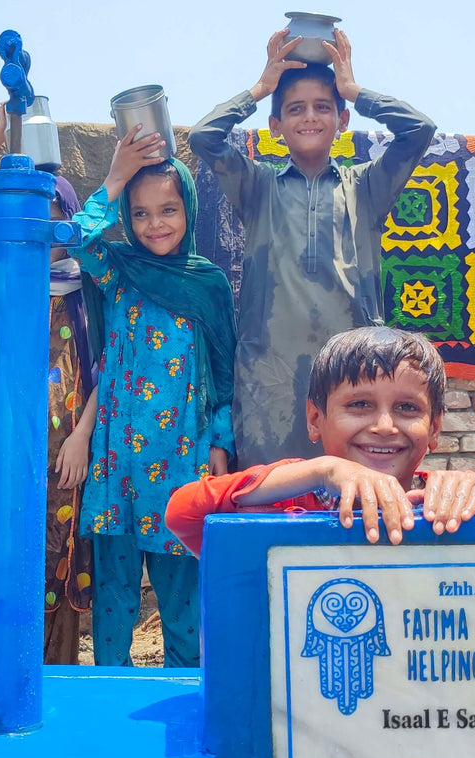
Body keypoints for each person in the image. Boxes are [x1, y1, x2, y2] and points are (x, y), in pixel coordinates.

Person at [165, 327, 475, 556]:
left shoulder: (441, 502)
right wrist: (321, 471)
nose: (384, 425)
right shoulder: (287, 499)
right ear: (315, 420)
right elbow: (183, 512)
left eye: (408, 409)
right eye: (358, 405)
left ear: (435, 428)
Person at [188, 28, 436, 466]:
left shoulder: (366, 188)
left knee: (353, 498)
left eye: (324, 107)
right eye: (295, 109)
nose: (310, 117)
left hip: (353, 378)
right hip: (270, 380)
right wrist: (261, 87)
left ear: (343, 121)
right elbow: (204, 137)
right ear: (275, 125)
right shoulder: (258, 187)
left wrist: (354, 90)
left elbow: (419, 130)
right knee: (273, 498)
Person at [69, 127, 236, 667]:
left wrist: (221, 444)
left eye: (168, 209)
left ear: (189, 209)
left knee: (182, 604)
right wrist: (114, 179)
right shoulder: (118, 272)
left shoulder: (207, 284)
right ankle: (109, 706)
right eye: (139, 214)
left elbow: (226, 374)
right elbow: (77, 240)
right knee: (113, 602)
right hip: (118, 464)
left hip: (181, 463)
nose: (155, 224)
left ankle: (183, 699)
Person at [0, 103, 96, 664]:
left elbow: (107, 365)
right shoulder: (1, 274)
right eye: (26, 215)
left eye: (49, 214)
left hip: (65, 457)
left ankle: (50, 680)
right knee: (3, 550)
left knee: (54, 553)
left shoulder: (86, 289)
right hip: (10, 448)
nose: (37, 230)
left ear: (66, 222)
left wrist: (82, 435)